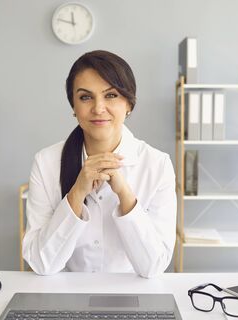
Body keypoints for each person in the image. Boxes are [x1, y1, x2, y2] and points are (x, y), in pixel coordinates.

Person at [22, 50, 176, 278]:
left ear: (129, 104)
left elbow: (153, 267)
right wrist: (77, 192)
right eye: (85, 97)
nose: (98, 108)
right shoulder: (46, 163)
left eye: (111, 95)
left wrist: (124, 194)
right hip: (67, 295)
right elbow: (41, 263)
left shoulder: (157, 165)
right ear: (73, 106)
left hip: (133, 295)